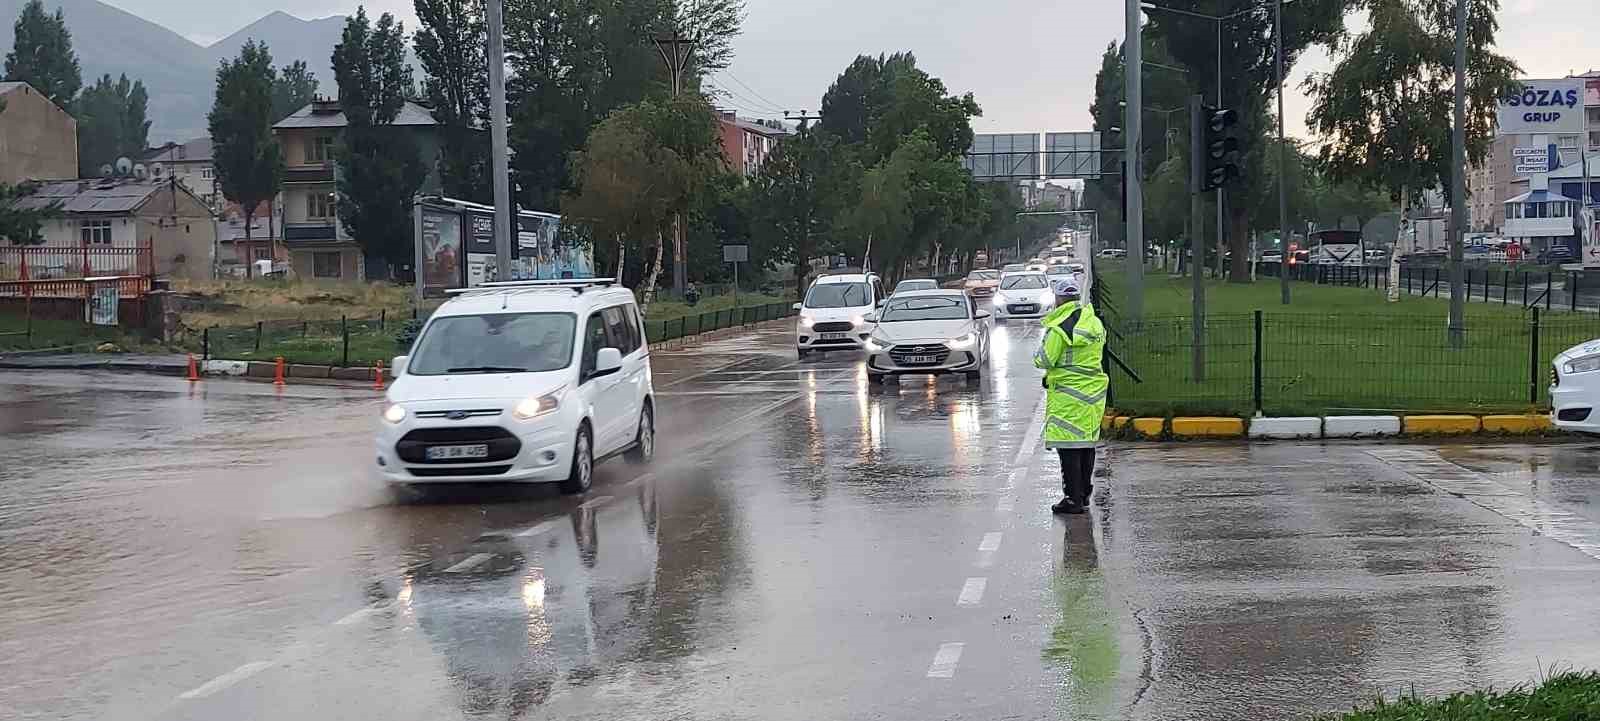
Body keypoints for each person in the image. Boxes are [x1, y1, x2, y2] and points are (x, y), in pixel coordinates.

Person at [1033, 277, 1108, 515]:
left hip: (1067, 394)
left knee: (1068, 448)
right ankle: (1084, 494)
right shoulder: (1093, 322)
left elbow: (1043, 359)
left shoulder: (1059, 327)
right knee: (1086, 443)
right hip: (1093, 392)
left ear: (1058, 298)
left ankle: (1072, 498)